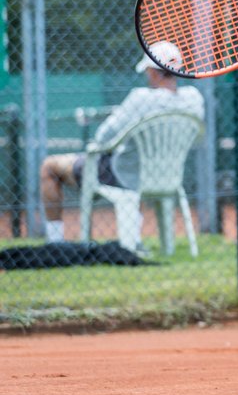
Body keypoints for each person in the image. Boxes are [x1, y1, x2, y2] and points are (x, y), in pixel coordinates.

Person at [39, 41, 205, 245]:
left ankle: (55, 243)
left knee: (49, 167)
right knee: (128, 162)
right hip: (166, 176)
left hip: (122, 174)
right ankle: (133, 236)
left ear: (153, 71)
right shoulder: (194, 100)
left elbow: (103, 137)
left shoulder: (140, 98)